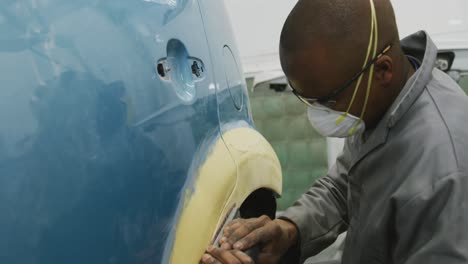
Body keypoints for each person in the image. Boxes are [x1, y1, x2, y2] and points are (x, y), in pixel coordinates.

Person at [201, 0, 468, 263]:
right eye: (308, 100)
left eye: (327, 99)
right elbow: (345, 185)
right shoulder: (382, 100)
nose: (318, 113)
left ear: (383, 70)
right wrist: (290, 229)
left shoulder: (445, 173)